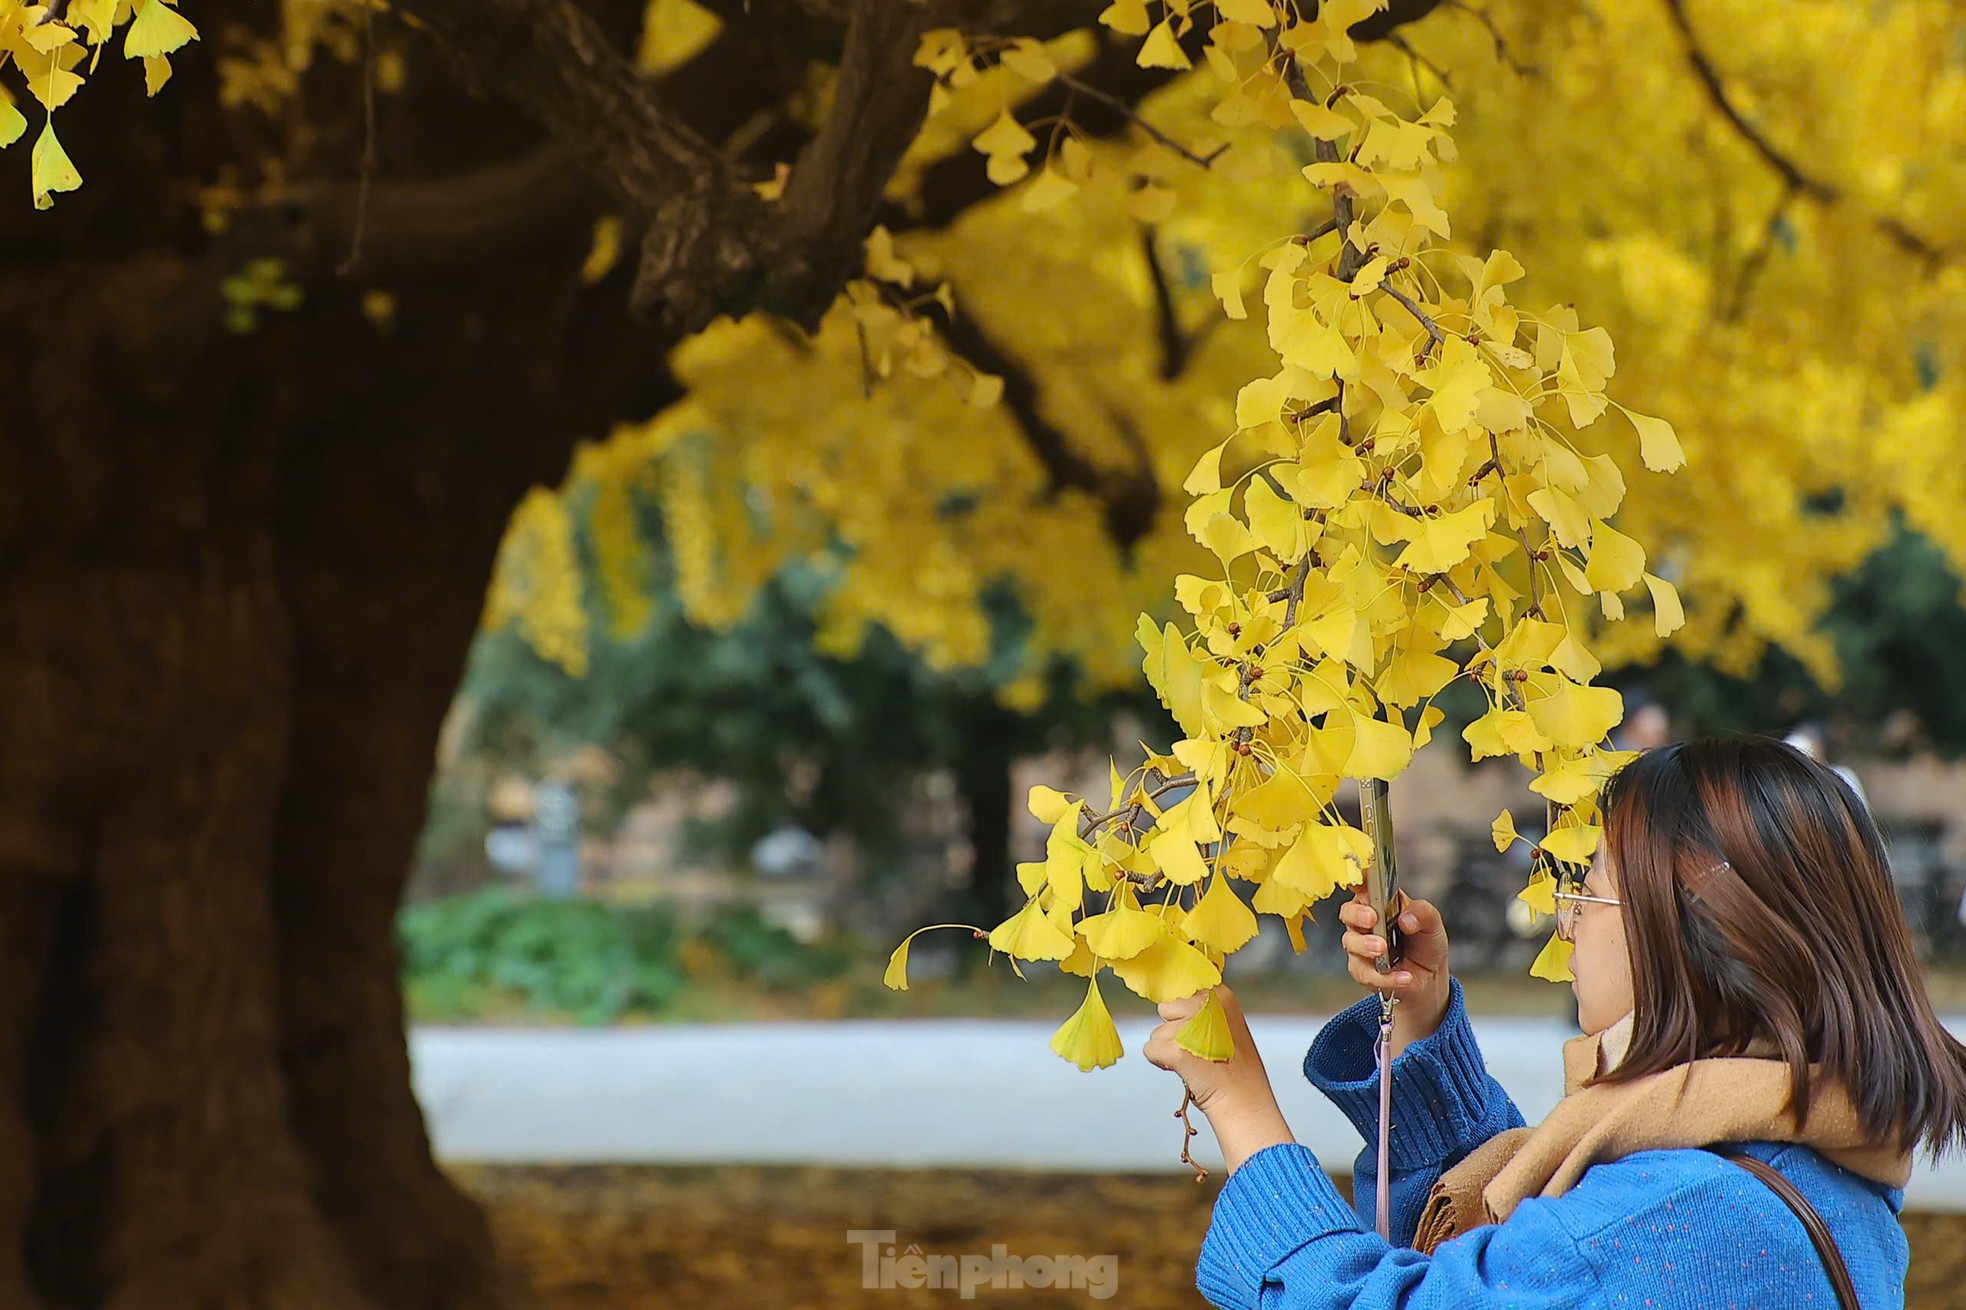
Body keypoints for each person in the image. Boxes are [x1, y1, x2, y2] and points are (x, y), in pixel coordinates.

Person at [1145, 735, 1966, 1308]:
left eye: (1594, 886)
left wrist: (1240, 1108)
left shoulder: (1681, 1218)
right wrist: (1425, 1022)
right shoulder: (1791, 1157)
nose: (1566, 919)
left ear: (1692, 933)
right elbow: (1526, 1268)